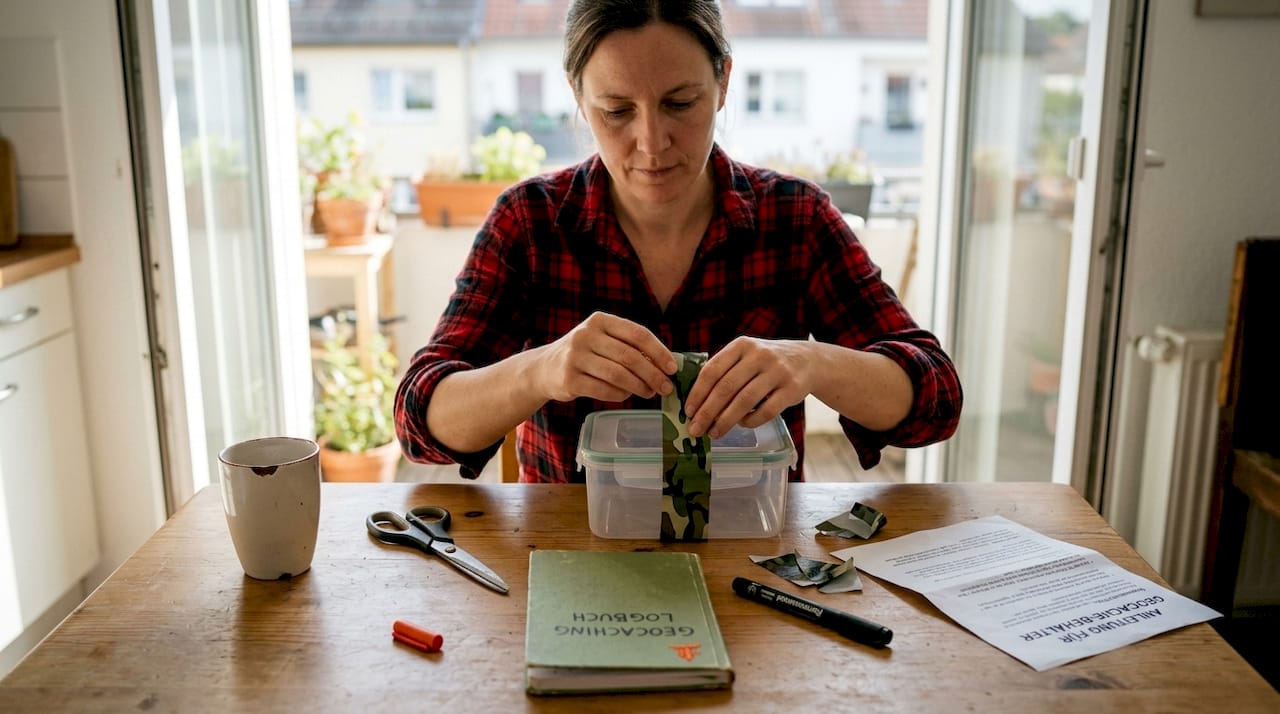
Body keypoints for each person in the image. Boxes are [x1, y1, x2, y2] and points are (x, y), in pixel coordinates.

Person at [395, 0, 962, 483]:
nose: (651, 142)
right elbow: (420, 420)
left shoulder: (796, 217)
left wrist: (812, 364)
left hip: (754, 553)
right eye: (616, 110)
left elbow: (935, 395)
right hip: (577, 554)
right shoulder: (530, 222)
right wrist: (541, 371)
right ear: (577, 95)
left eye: (680, 103)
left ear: (723, 84)